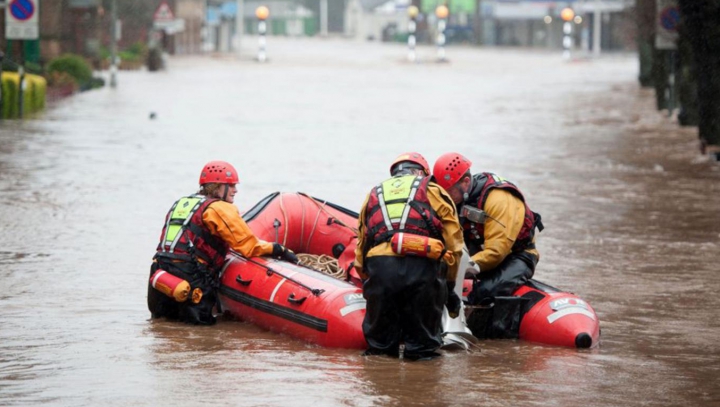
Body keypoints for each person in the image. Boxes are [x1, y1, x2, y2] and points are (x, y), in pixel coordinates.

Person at [147, 160, 298, 325]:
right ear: (218, 187)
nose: (236, 190)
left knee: (162, 324)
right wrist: (278, 249)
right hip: (190, 275)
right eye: (231, 185)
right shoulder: (218, 208)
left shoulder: (182, 203)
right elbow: (248, 246)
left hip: (161, 271)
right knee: (200, 332)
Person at [355, 152, 463, 360]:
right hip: (423, 270)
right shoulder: (433, 189)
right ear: (423, 172)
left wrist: (370, 281)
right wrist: (449, 287)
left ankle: (377, 388)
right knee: (423, 351)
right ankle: (419, 387)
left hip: (381, 268)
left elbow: (361, 246)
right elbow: (454, 246)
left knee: (380, 350)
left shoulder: (374, 193)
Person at [432, 152, 543, 308]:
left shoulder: (500, 199)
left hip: (514, 256)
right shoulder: (454, 199)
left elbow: (496, 252)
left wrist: (457, 269)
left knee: (484, 292)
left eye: (448, 192)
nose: (445, 198)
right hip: (475, 251)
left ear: (465, 182)